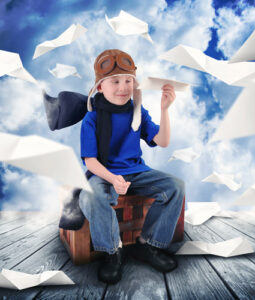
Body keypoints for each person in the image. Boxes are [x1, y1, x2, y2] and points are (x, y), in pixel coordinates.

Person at [79, 49, 185, 284]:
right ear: (100, 87)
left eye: (128, 80)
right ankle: (112, 250)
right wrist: (113, 179)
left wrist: (165, 109)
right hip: (104, 172)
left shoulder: (137, 111)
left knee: (175, 186)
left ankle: (148, 244)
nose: (123, 87)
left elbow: (163, 141)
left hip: (136, 171)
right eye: (115, 81)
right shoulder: (92, 118)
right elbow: (90, 161)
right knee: (92, 195)